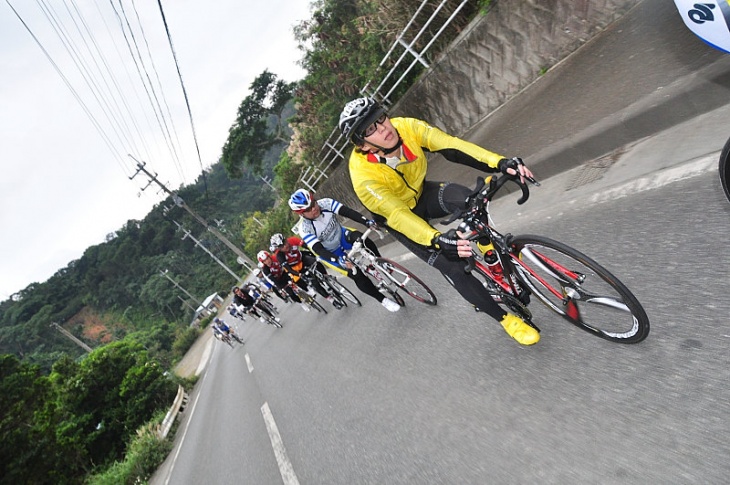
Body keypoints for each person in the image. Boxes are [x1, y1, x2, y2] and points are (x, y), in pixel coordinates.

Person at [339, 97, 540, 345]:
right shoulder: (362, 176)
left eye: (380, 118)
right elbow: (398, 215)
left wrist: (500, 162)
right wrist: (436, 239)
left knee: (470, 200)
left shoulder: (407, 127)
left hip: (423, 193)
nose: (382, 128)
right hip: (401, 217)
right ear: (363, 145)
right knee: (453, 266)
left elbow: (452, 146)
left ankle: (492, 259)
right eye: (371, 129)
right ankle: (507, 321)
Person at [288, 188, 401, 312]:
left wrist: (367, 222)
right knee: (357, 275)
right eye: (308, 209)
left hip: (341, 235)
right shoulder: (305, 229)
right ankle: (383, 300)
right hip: (329, 251)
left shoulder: (325, 203)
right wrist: (338, 259)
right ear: (301, 214)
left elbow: (348, 212)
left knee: (363, 239)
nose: (314, 208)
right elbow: (319, 249)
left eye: (313, 203)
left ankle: (381, 263)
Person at [270, 233, 340, 308]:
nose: (285, 246)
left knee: (316, 261)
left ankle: (326, 275)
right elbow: (289, 269)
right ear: (278, 249)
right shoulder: (279, 256)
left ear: (286, 239)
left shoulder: (292, 240)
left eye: (285, 242)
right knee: (315, 283)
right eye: (282, 246)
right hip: (295, 268)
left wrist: (317, 254)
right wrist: (299, 274)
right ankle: (331, 300)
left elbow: (308, 246)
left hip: (301, 258)